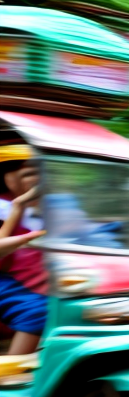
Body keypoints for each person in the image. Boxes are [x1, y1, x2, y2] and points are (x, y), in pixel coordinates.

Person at [0, 152, 47, 355]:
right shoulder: (6, 206)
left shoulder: (46, 206)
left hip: (31, 277)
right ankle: (10, 374)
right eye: (27, 173)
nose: (34, 180)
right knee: (37, 310)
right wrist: (17, 208)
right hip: (6, 277)